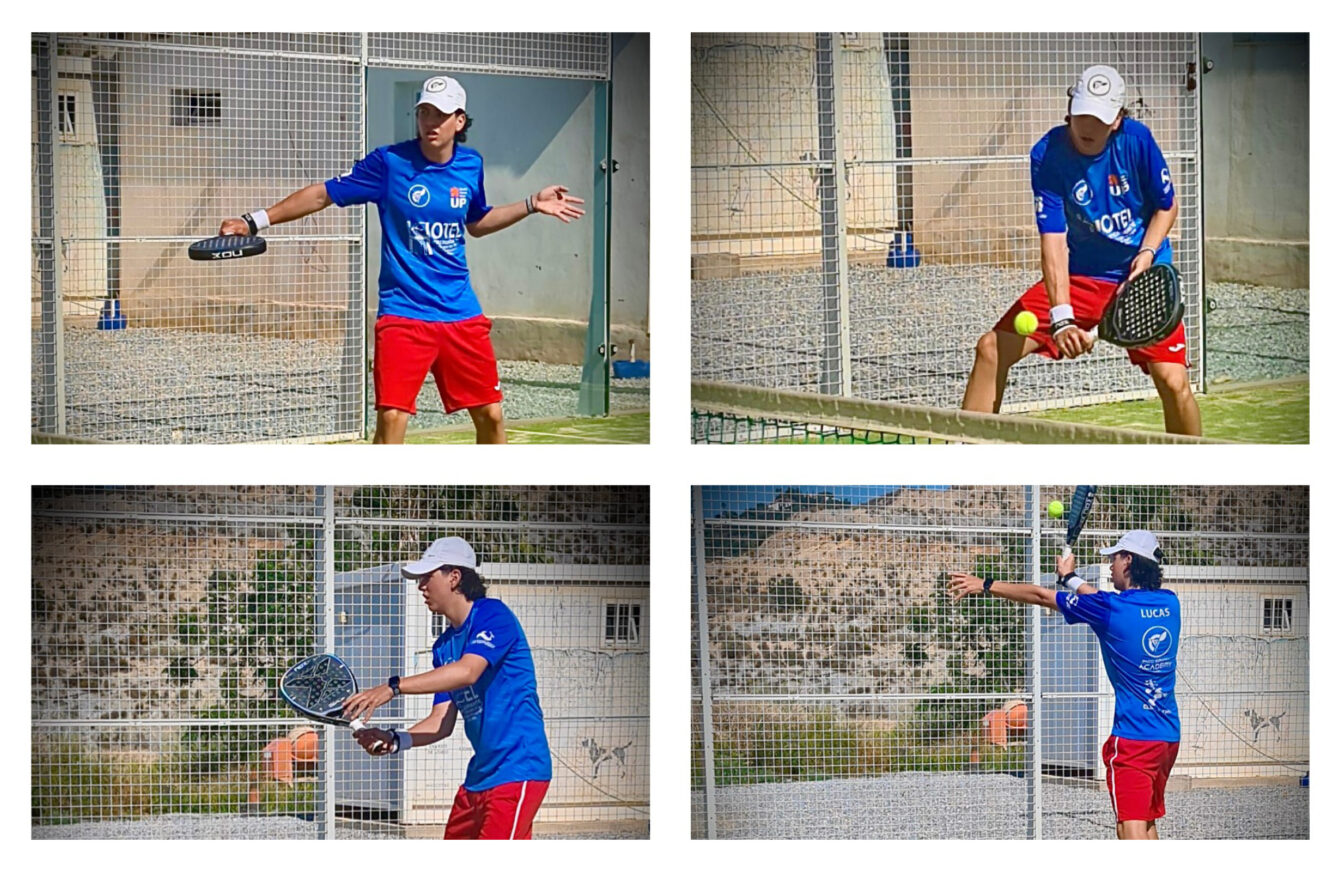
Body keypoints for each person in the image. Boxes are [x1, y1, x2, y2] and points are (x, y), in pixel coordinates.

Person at [218, 75, 585, 444]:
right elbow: (321, 195)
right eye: (424, 112)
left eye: (440, 115)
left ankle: (493, 498)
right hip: (404, 315)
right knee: (392, 420)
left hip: (461, 313)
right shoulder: (389, 163)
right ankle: (379, 500)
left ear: (459, 120)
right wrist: (254, 221)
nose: (430, 122)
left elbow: (476, 222)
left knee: (491, 416)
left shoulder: (471, 165)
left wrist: (530, 205)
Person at [961, 64, 1201, 436]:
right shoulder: (1047, 154)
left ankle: (1193, 481)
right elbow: (1053, 240)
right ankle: (966, 467)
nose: (1087, 126)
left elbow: (1167, 206)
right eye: (1082, 114)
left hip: (1142, 279)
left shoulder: (1137, 141)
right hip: (1083, 278)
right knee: (991, 349)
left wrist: (1148, 252)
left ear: (1118, 119)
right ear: (1068, 111)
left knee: (1173, 382)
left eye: (1100, 117)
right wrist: (1062, 317)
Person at [947, 530, 1181, 840]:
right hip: (1167, 737)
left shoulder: (1110, 608)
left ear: (1129, 560)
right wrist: (1069, 577)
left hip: (1134, 739)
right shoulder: (1169, 603)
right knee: (1147, 822)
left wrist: (986, 585)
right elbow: (1097, 598)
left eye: (1114, 558)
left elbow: (1042, 596)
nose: (1110, 564)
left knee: (1130, 826)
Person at [342, 536, 552, 839]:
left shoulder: (493, 614)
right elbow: (441, 722)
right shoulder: (443, 647)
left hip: (519, 770)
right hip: (479, 778)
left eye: (427, 577)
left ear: (454, 577)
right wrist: (394, 739)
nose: (420, 587)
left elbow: (468, 671)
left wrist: (392, 688)